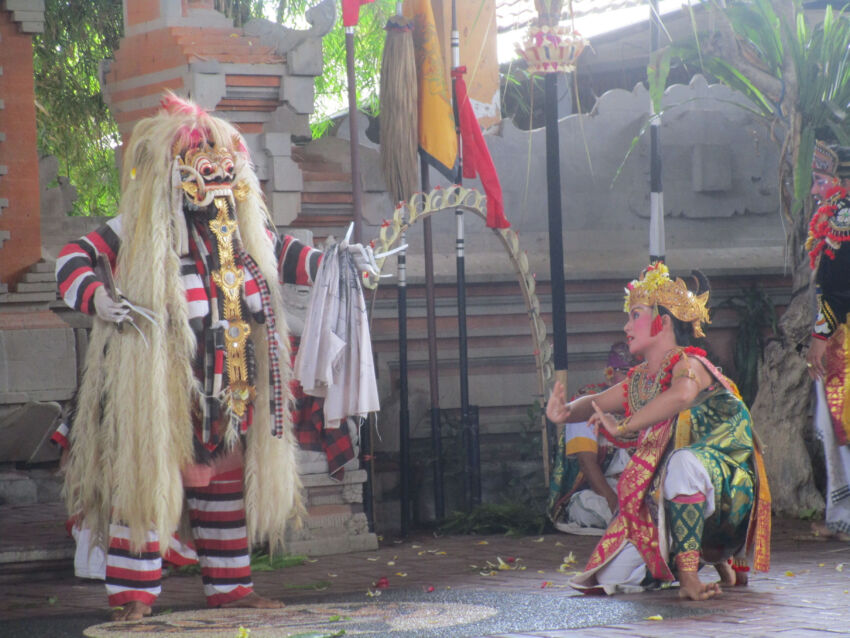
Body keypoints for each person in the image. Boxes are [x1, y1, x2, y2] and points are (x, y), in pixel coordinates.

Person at [55, 93, 377, 621]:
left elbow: (289, 257)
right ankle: (132, 599)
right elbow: (74, 256)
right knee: (148, 487)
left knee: (225, 490)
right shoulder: (136, 227)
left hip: (234, 387)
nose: (217, 179)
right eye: (203, 165)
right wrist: (99, 297)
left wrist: (339, 264)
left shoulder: (243, 231)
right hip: (165, 393)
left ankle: (231, 589)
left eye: (225, 166)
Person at [547, 263, 771, 601]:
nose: (626, 326)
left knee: (681, 464)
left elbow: (681, 395)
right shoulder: (641, 380)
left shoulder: (690, 364)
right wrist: (565, 413)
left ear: (662, 322)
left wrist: (623, 425)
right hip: (677, 497)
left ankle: (690, 577)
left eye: (635, 315)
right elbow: (598, 401)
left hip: (731, 491)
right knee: (607, 576)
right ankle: (706, 561)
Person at [805, 140, 850, 541]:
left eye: (821, 181)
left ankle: (846, 515)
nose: (816, 190)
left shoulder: (843, 218)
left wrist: (821, 336)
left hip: (844, 340)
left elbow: (837, 289)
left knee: (843, 422)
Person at [547, 342, 638, 534]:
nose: (631, 377)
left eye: (637, 371)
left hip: (642, 487)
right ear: (610, 373)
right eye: (625, 371)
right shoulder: (587, 403)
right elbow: (587, 463)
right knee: (583, 506)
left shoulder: (649, 401)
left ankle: (632, 523)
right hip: (606, 490)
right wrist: (613, 502)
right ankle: (628, 523)